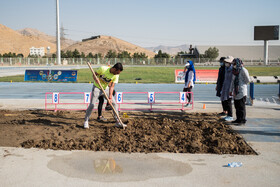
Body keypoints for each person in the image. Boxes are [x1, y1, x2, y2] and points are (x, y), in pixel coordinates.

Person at [84, 62, 124, 129]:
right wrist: (95, 79)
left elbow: (112, 86)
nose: (118, 74)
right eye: (117, 72)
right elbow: (94, 74)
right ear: (114, 69)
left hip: (106, 89)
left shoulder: (116, 75)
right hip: (97, 88)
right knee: (92, 105)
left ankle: (117, 121)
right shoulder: (103, 69)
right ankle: (86, 121)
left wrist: (110, 98)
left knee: (114, 104)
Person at [230, 58, 250, 125]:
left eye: (234, 64)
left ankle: (242, 120)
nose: (233, 65)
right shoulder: (234, 71)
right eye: (233, 64)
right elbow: (232, 82)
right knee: (237, 106)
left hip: (241, 90)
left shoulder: (243, 70)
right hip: (235, 91)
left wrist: (240, 83)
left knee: (241, 106)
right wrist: (231, 90)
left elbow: (247, 80)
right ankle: (238, 119)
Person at [221, 56, 234, 121]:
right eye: (225, 62)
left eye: (227, 62)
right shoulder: (226, 69)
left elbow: (232, 80)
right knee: (226, 101)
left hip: (230, 87)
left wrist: (231, 89)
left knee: (229, 101)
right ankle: (228, 114)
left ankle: (230, 115)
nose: (226, 63)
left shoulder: (232, 70)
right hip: (225, 86)